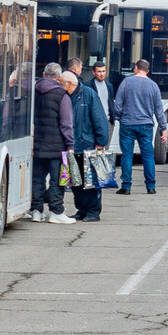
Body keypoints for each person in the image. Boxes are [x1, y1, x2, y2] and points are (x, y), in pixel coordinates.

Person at [112, 59, 167, 194]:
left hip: (127, 124)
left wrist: (119, 117)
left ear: (135, 68)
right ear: (147, 71)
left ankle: (126, 187)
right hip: (146, 125)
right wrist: (163, 128)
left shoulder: (126, 82)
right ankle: (151, 186)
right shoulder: (153, 86)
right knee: (148, 156)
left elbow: (117, 104)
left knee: (127, 155)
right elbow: (159, 110)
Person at [30, 62, 75, 223]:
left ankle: (36, 211)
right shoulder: (61, 95)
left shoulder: (33, 91)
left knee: (37, 179)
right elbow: (66, 123)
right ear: (59, 77)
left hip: (37, 144)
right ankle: (56, 211)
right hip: (57, 146)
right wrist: (70, 144)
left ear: (44, 74)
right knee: (57, 180)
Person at [62, 69, 108, 221]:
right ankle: (81, 209)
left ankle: (93, 211)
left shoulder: (88, 94)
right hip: (72, 146)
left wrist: (101, 142)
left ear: (69, 84)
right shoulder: (65, 96)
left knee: (91, 181)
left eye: (61, 83)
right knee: (76, 182)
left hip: (87, 145)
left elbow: (99, 118)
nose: (60, 86)